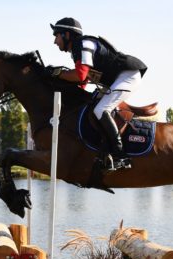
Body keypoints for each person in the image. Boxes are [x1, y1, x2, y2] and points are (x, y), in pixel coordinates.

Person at [49, 17, 147, 170]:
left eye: (56, 35)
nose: (55, 41)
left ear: (67, 35)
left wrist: (58, 73)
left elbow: (80, 76)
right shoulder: (77, 48)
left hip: (128, 76)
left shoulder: (82, 45)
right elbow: (83, 82)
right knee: (92, 105)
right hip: (117, 78)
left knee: (100, 109)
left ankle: (121, 156)